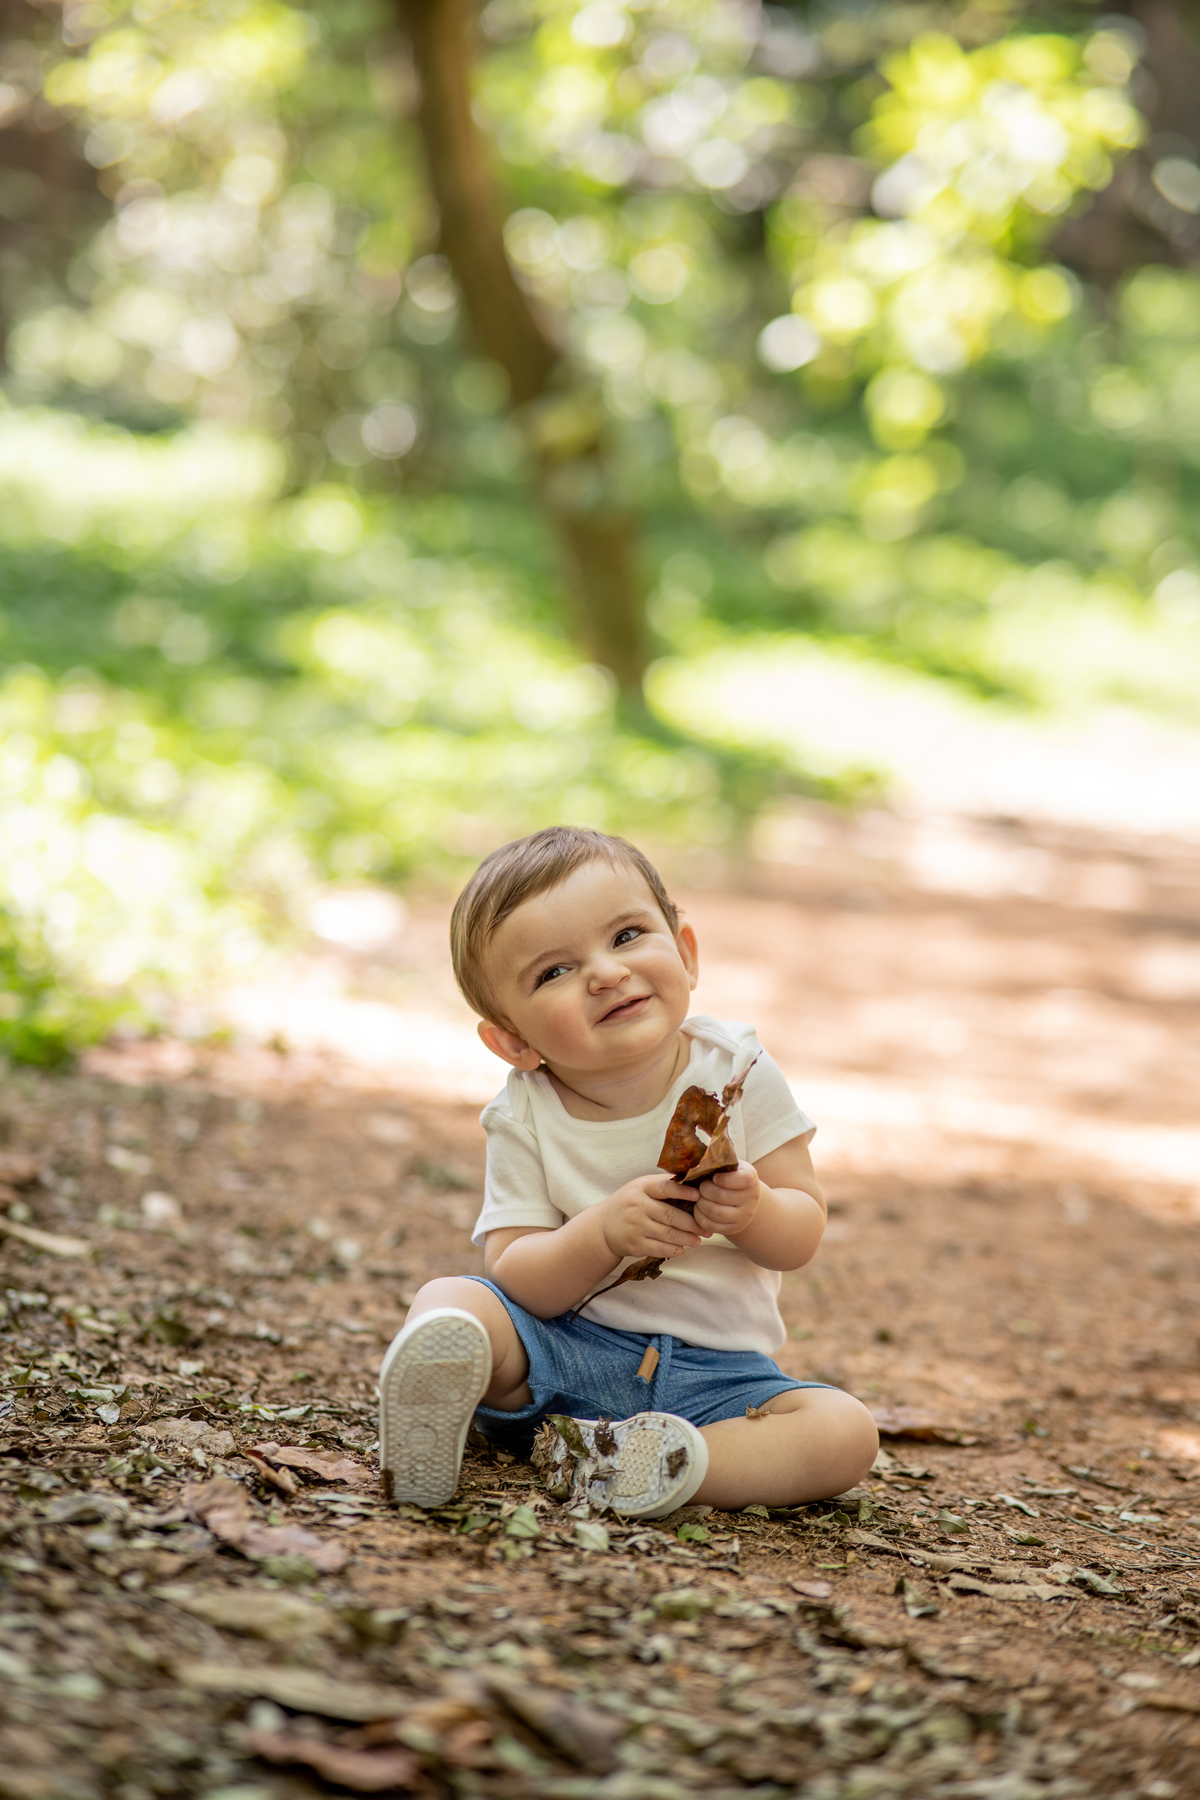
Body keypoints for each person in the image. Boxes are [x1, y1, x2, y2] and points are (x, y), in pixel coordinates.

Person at [378, 826, 878, 1518]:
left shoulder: (738, 1070)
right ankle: (429, 1406)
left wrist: (756, 1211)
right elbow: (516, 1272)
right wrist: (601, 1233)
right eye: (553, 972)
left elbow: (802, 1230)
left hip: (716, 1379)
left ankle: (663, 1463)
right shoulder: (524, 1113)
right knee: (455, 1301)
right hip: (559, 1355)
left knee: (843, 1433)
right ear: (513, 1040)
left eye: (626, 936)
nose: (605, 973)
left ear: (686, 951)